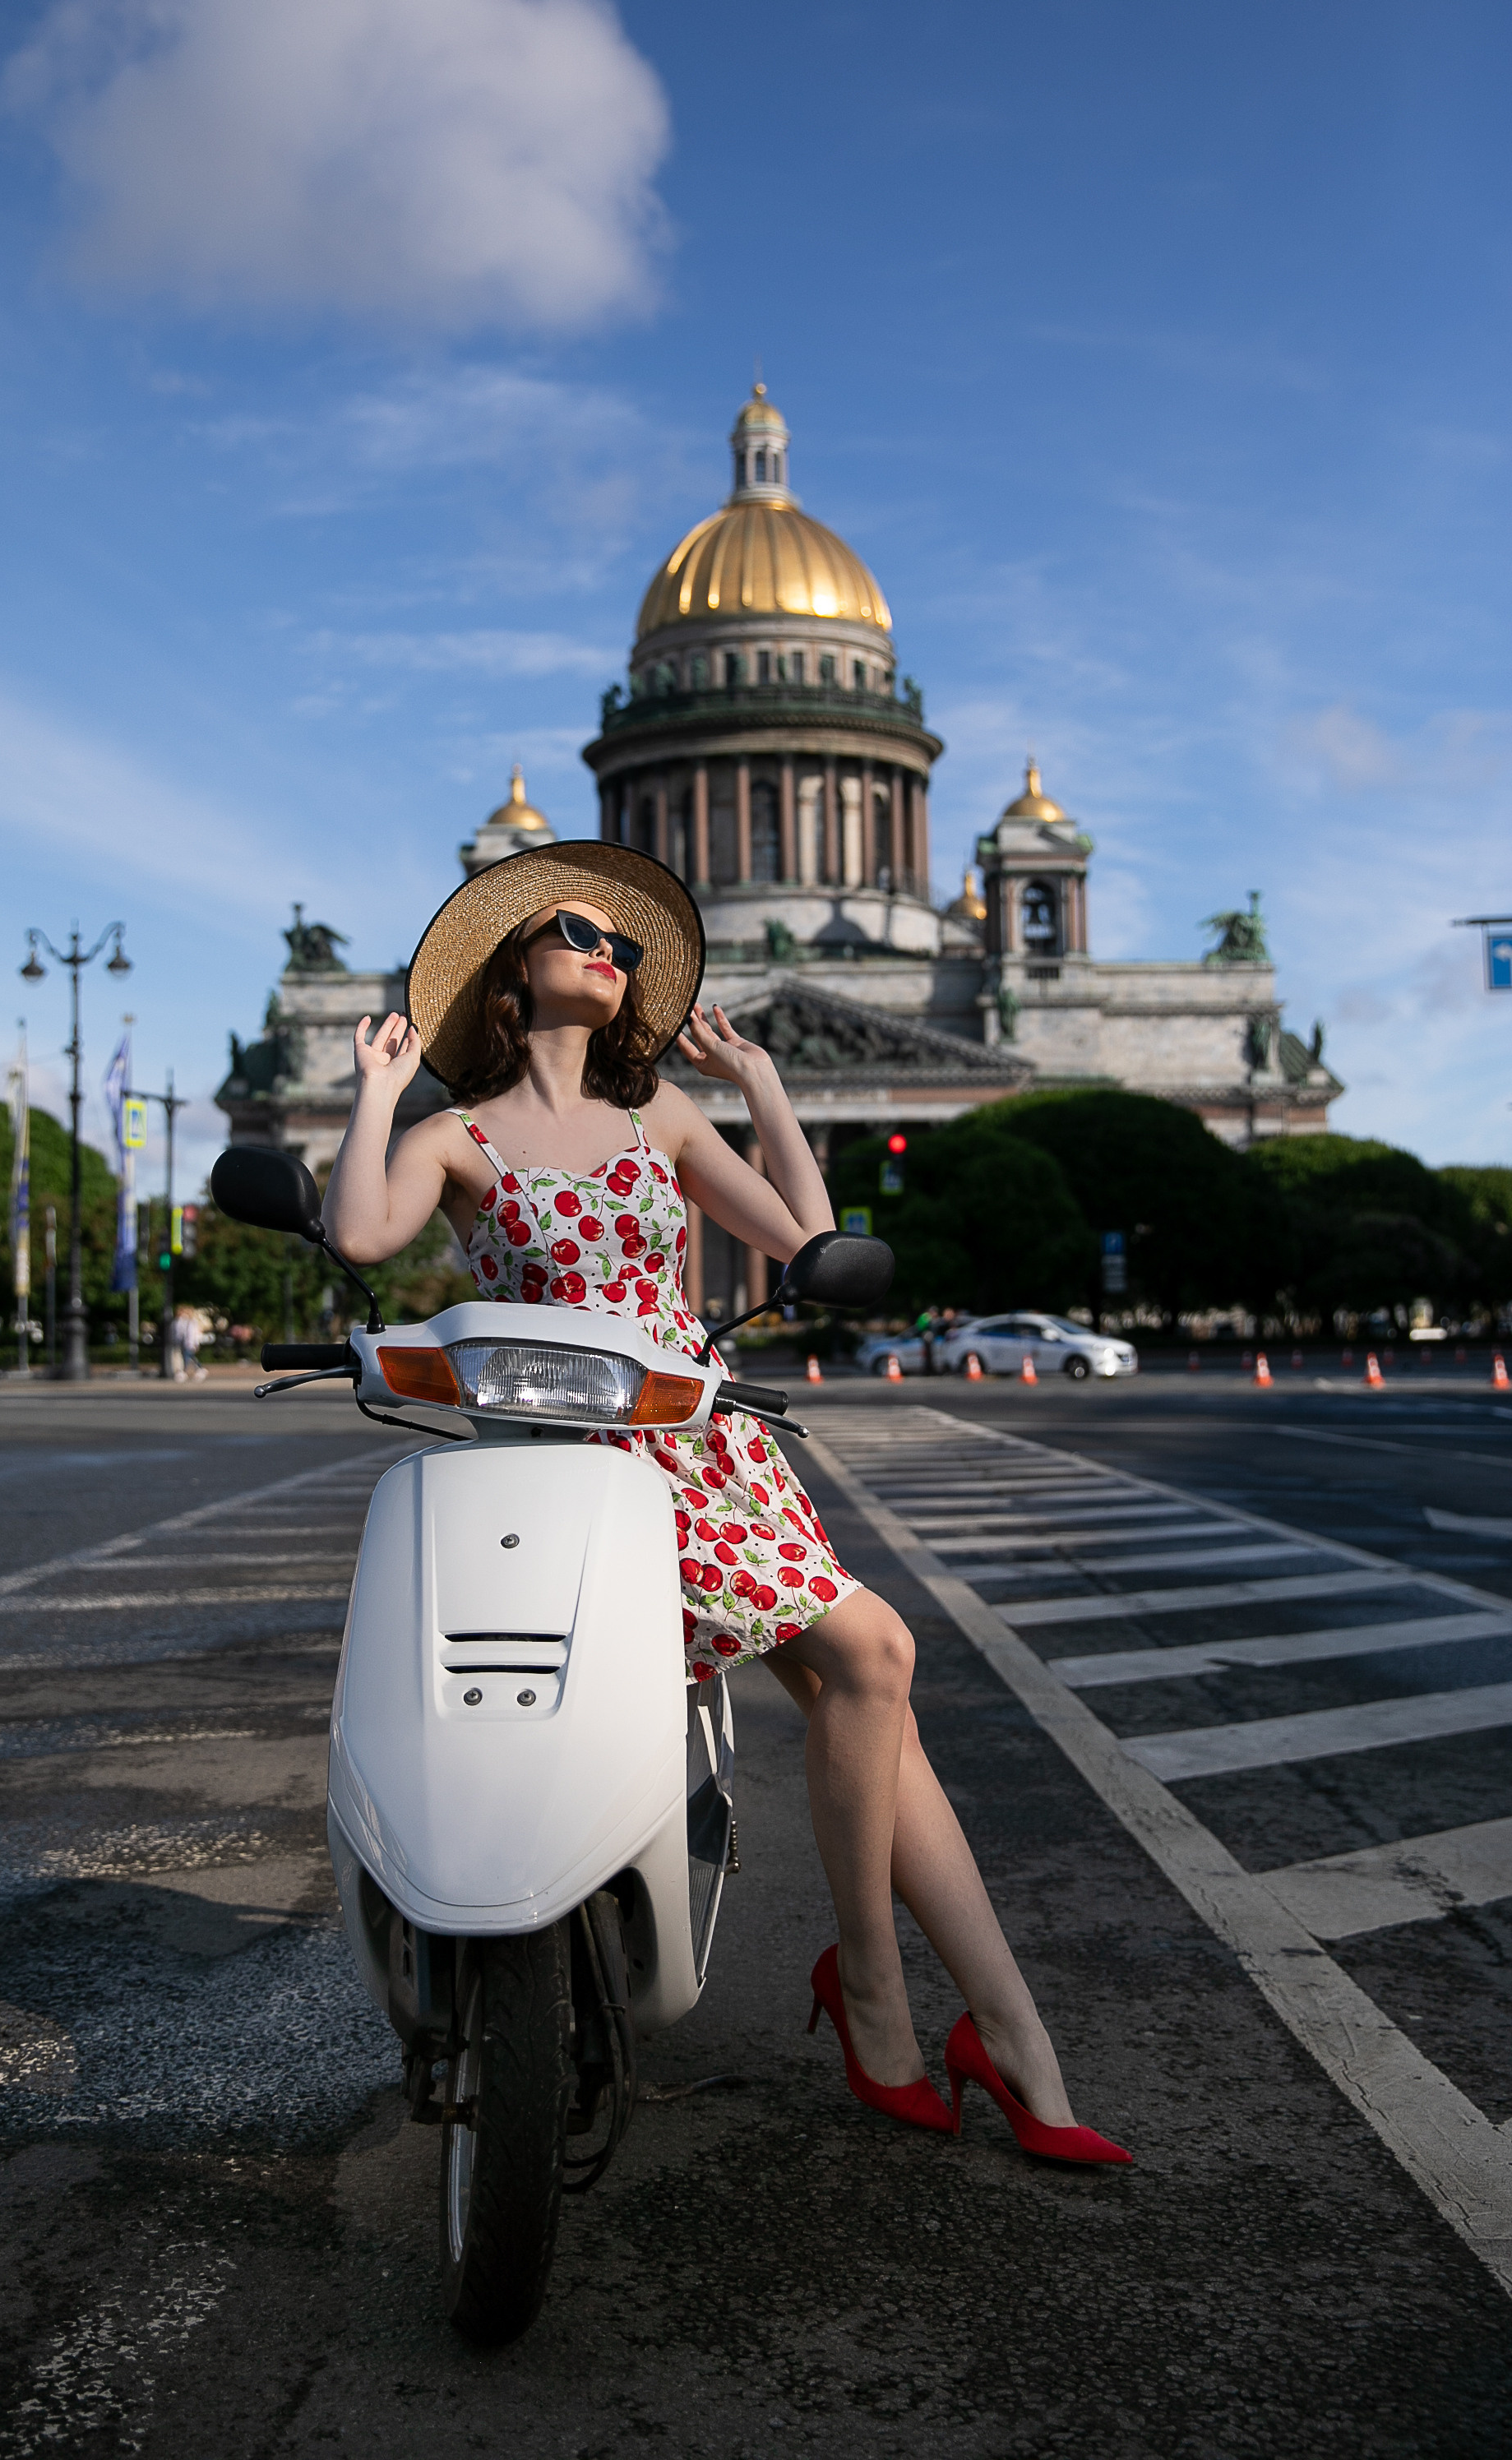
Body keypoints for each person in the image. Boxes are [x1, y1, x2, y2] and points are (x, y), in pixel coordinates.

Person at [321, 842, 1129, 2166]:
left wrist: (760, 1084)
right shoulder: (452, 1134)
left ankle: (1000, 2027)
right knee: (875, 1658)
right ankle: (894, 2003)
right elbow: (361, 1237)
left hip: (699, 1446)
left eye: (625, 947)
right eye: (581, 931)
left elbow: (805, 1246)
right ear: (516, 970)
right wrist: (377, 1089)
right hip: (556, 1454)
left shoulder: (669, 1124)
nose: (611, 952)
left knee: (869, 1697)